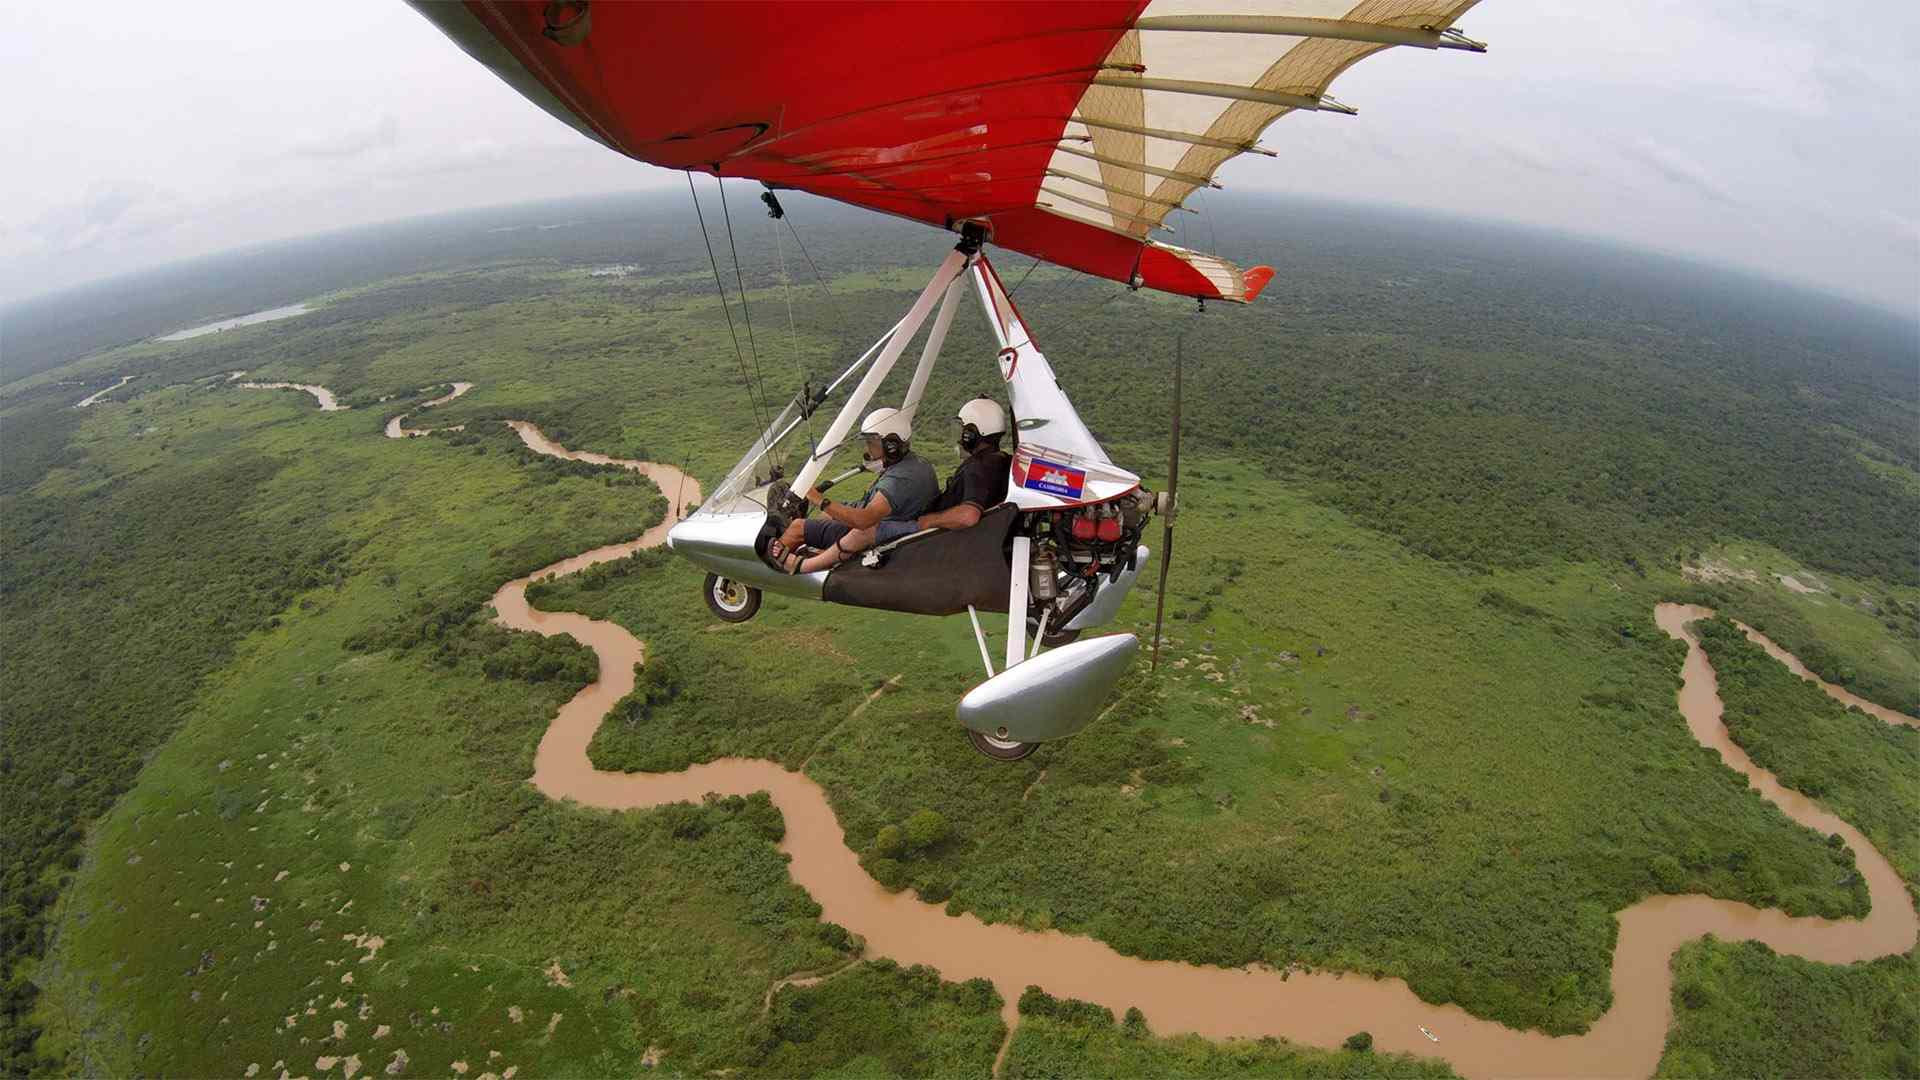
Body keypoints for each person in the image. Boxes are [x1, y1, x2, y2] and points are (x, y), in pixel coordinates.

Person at [778, 398, 1010, 574]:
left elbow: (969, 515)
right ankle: (813, 547)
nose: (960, 437)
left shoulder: (977, 468)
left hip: (929, 535)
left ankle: (804, 565)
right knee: (821, 522)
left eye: (963, 431)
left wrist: (821, 500)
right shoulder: (995, 460)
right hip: (930, 530)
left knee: (862, 530)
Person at [771, 407, 935, 572]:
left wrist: (819, 500)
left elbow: (864, 521)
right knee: (828, 514)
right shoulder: (916, 463)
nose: (867, 448)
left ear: (891, 445)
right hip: (892, 522)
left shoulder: (900, 478)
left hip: (874, 533)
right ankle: (820, 552)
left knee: (798, 527)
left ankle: (774, 566)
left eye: (871, 442)